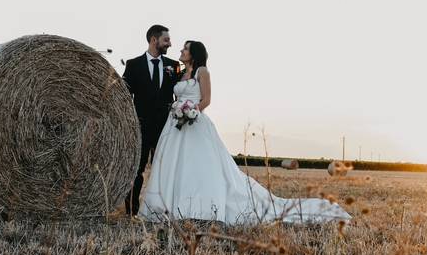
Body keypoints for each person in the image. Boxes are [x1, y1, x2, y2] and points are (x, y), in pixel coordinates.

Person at [140, 40, 350, 224]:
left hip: (195, 123)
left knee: (199, 166)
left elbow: (207, 99)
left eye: (185, 49)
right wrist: (178, 110)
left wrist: (190, 112)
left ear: (193, 53)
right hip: (175, 125)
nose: (181, 51)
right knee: (174, 166)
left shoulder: (202, 72)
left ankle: (199, 207)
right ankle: (169, 206)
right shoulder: (179, 71)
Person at [121, 25, 180, 216]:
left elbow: (180, 93)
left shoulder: (174, 65)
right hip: (141, 126)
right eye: (166, 40)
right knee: (135, 171)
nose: (169, 44)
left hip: (167, 128)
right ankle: (132, 211)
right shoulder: (133, 64)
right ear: (154, 40)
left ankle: (162, 210)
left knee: (164, 171)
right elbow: (124, 95)